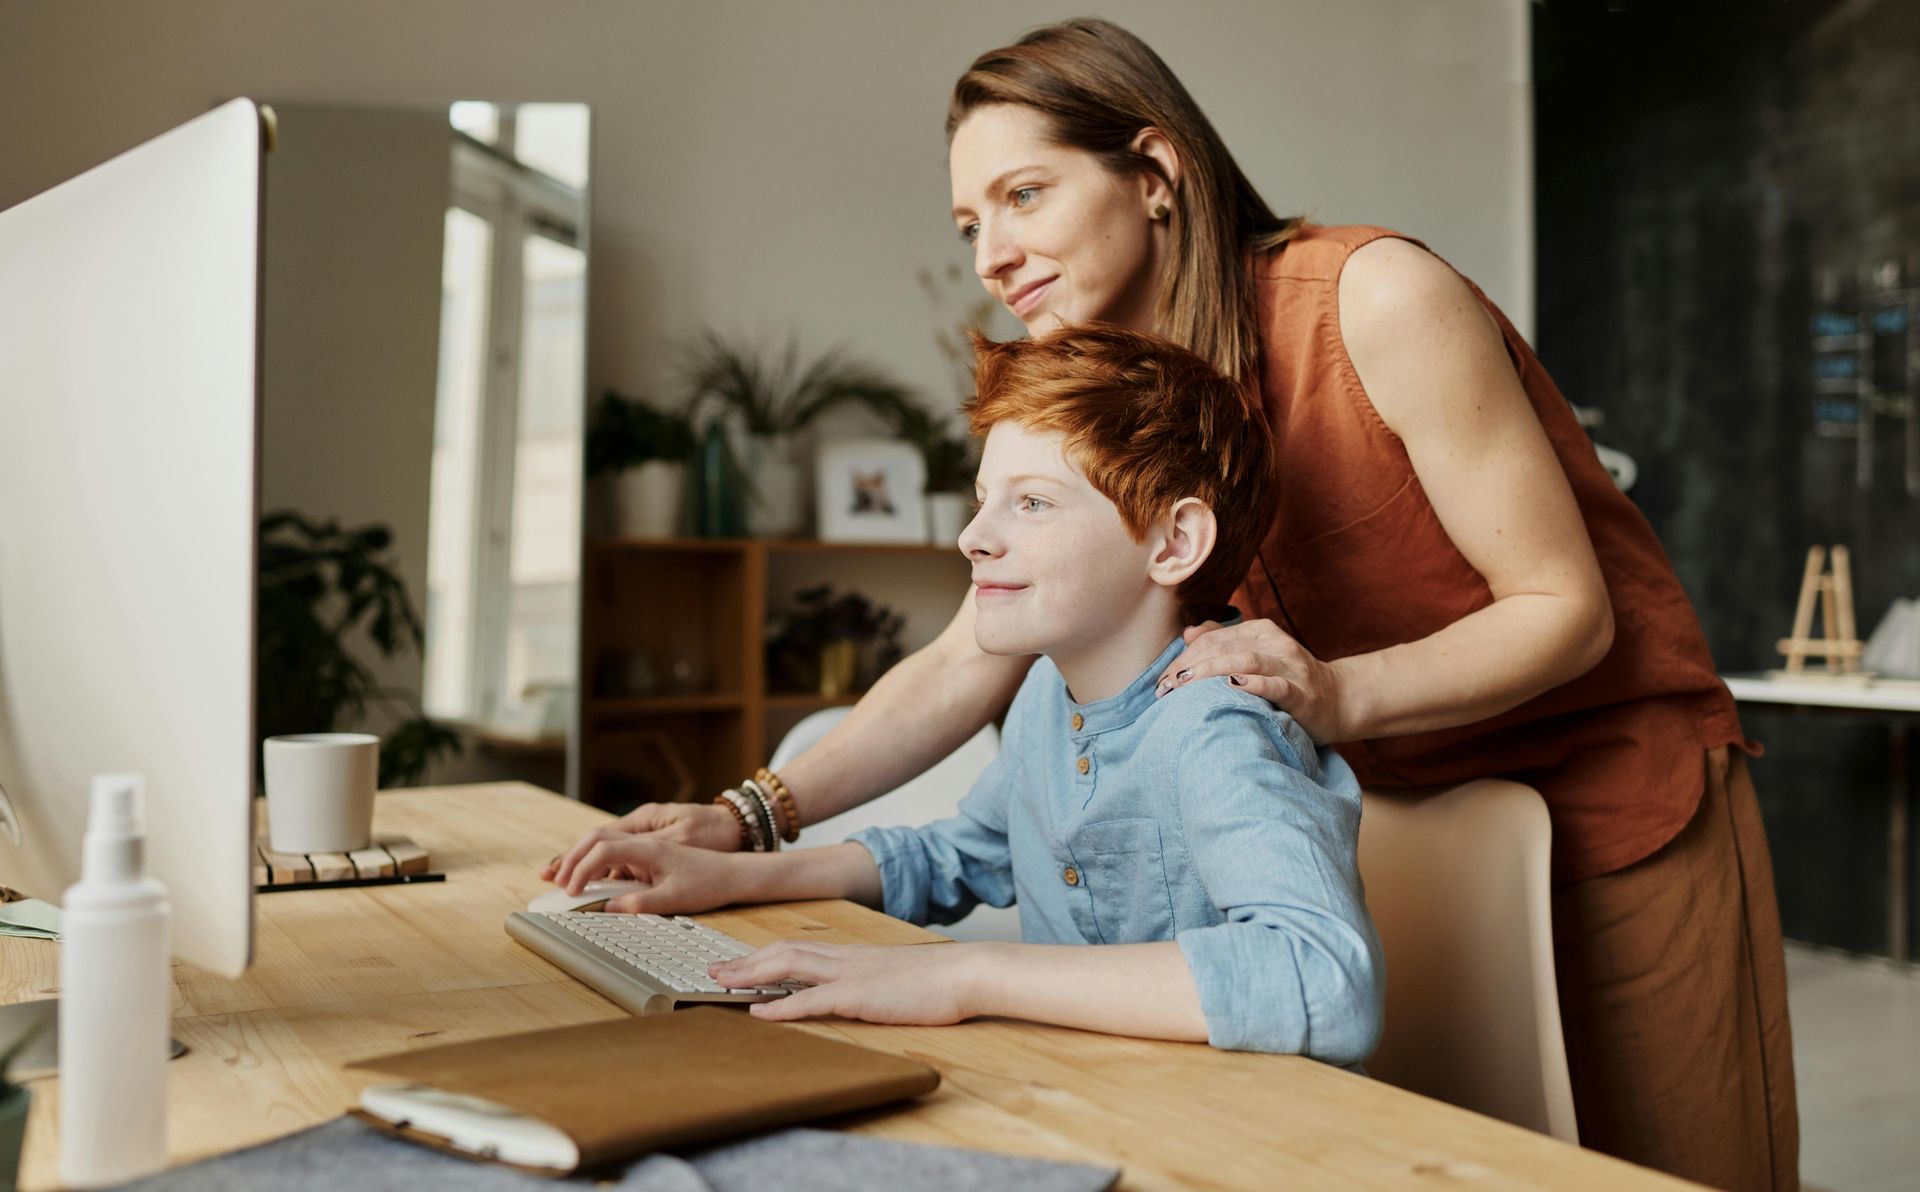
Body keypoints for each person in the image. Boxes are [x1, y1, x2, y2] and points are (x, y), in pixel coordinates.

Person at [547, 18, 1796, 1188]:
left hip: (1614, 798)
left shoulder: (1374, 297)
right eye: (968, 221)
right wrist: (745, 816)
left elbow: (1563, 608)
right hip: (1393, 812)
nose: (991, 253)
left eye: (1024, 195)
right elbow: (966, 655)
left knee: (1672, 1169)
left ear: (1155, 170)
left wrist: (1334, 689)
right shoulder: (1112, 388)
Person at [550, 326, 1383, 1063]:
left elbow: (1324, 977)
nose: (974, 537)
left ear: (1173, 542)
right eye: (985, 499)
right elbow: (964, 855)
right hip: (1083, 1093)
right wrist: (728, 875)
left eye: (1031, 503)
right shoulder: (1045, 701)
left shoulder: (1217, 727)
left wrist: (966, 974)